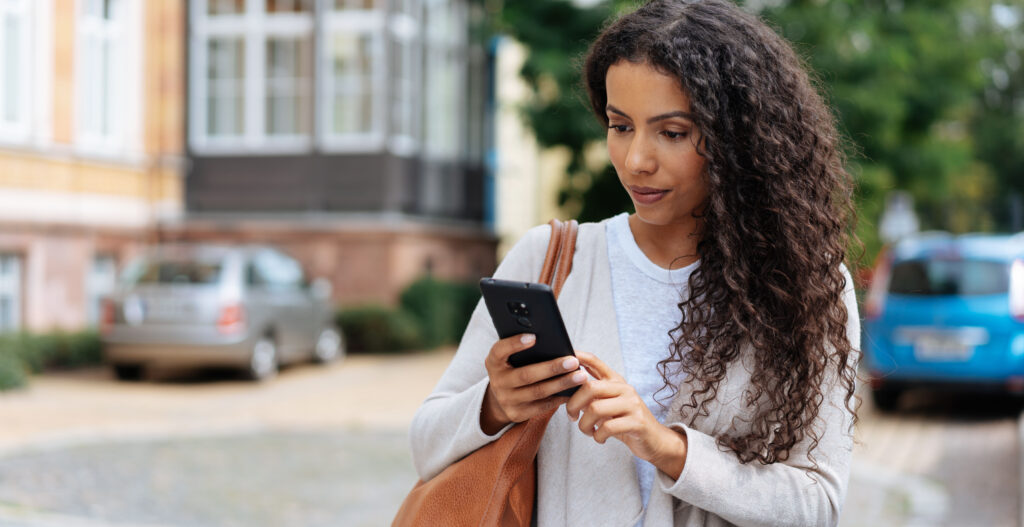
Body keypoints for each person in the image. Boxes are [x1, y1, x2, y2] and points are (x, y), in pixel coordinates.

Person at [409, 0, 860, 525]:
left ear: (740, 141)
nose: (636, 159)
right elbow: (426, 441)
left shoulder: (805, 286)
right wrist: (494, 406)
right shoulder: (549, 259)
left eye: (672, 133)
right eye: (621, 126)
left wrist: (665, 447)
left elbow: (819, 503)